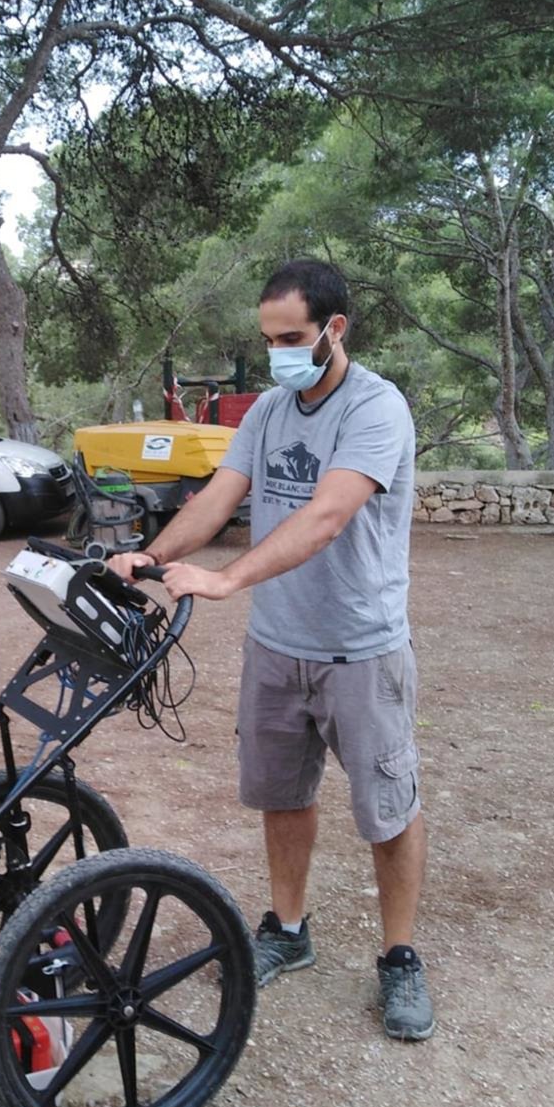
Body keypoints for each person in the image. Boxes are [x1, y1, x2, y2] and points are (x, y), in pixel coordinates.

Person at [111, 257, 434, 1042]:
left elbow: (326, 516)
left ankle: (400, 955)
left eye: (291, 339)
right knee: (283, 798)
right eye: (268, 340)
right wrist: (152, 555)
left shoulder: (376, 408)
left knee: (387, 809)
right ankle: (288, 930)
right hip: (277, 646)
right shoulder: (268, 411)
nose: (278, 354)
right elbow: (219, 495)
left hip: (360, 649)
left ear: (334, 329)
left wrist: (228, 578)